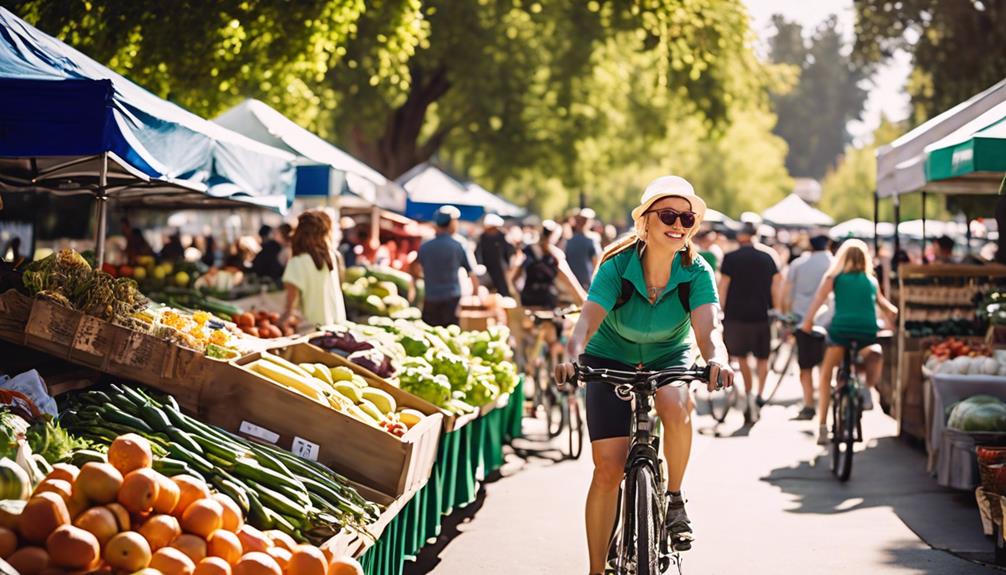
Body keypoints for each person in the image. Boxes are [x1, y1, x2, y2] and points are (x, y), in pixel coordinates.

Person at [554, 176, 734, 574]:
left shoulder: (697, 271)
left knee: (675, 401)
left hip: (669, 356)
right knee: (607, 470)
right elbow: (585, 323)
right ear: (645, 222)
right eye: (669, 214)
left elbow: (709, 331)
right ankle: (596, 570)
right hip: (610, 356)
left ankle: (673, 497)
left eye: (687, 218)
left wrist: (719, 359)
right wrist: (572, 356)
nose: (679, 224)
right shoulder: (616, 266)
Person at [801, 239, 898, 445]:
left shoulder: (834, 278)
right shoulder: (871, 280)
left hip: (840, 332)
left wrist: (807, 323)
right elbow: (885, 306)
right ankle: (866, 388)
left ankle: (822, 427)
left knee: (826, 375)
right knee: (873, 353)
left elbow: (818, 301)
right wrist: (894, 317)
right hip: (866, 333)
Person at [718, 221, 782, 423]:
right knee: (763, 358)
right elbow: (776, 286)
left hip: (736, 316)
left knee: (741, 357)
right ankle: (760, 395)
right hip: (762, 315)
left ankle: (749, 392)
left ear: (740, 236)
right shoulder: (768, 256)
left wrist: (719, 309)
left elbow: (723, 286)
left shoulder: (730, 257)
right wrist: (777, 310)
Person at [783, 235, 833, 420]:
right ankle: (825, 401)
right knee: (826, 366)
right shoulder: (835, 263)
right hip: (829, 321)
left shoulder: (798, 264)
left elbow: (786, 291)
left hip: (802, 320)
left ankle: (809, 404)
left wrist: (786, 315)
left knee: (805, 367)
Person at [411, 206, 479, 327]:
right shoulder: (459, 245)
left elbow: (414, 268)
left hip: (430, 297)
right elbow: (472, 273)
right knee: (449, 334)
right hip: (451, 299)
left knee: (430, 333)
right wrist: (475, 293)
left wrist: (423, 278)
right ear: (452, 224)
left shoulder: (425, 246)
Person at [280, 210, 346, 328]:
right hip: (337, 327)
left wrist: (280, 322)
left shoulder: (297, 262)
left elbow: (291, 307)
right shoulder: (331, 256)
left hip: (312, 331)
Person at [475, 214, 515, 298]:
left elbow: (509, 253)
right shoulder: (482, 238)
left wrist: (509, 267)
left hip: (500, 271)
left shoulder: (503, 237)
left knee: (503, 293)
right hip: (486, 271)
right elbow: (478, 254)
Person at [564, 208, 601, 290]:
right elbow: (597, 262)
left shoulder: (568, 241)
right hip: (588, 284)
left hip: (572, 285)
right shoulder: (592, 240)